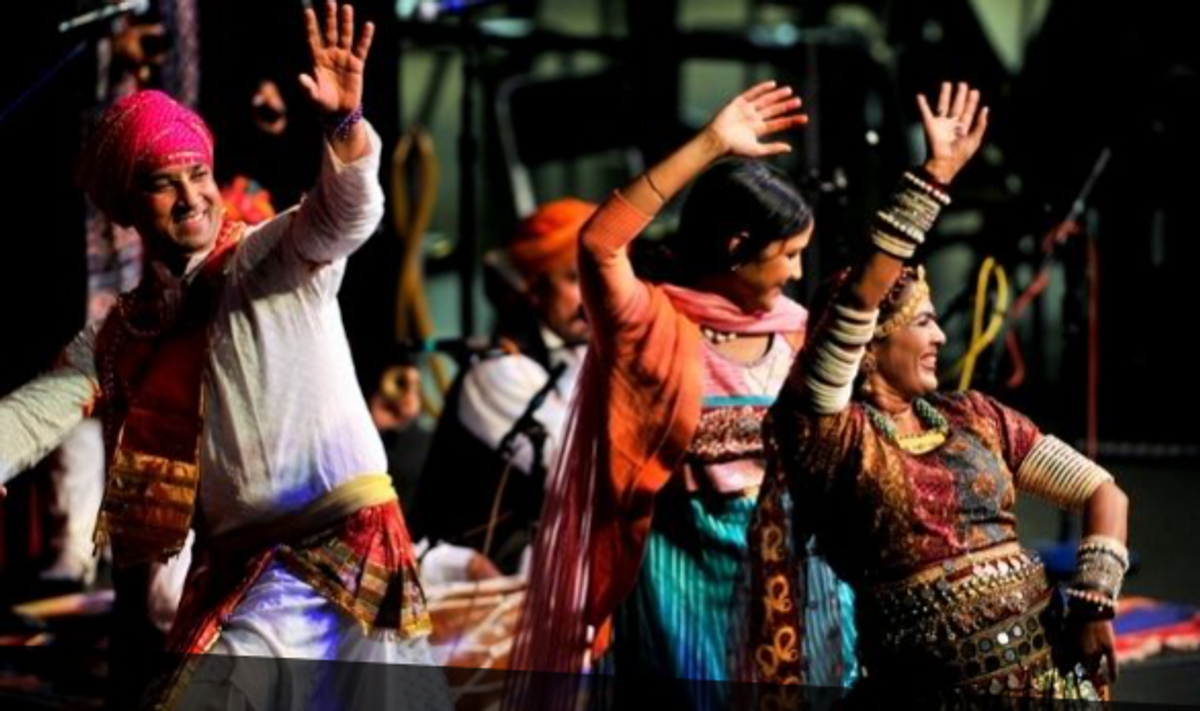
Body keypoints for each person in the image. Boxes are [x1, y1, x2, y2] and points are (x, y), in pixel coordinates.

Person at [0, 3, 449, 708]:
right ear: (126, 206)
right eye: (161, 181)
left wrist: (343, 125)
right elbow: (34, 413)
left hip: (353, 556)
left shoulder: (271, 255)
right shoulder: (123, 334)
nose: (191, 197)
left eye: (197, 173)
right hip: (247, 581)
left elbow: (348, 212)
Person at [754, 81, 1129, 702]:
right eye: (921, 322)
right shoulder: (828, 433)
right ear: (867, 344)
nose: (939, 337)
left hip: (1048, 679)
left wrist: (1094, 602)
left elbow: (1100, 489)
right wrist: (932, 178)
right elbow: (855, 302)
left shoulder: (974, 414)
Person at [508, 82, 857, 709]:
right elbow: (599, 242)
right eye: (789, 255)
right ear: (736, 249)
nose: (799, 273)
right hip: (681, 568)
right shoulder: (650, 322)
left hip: (791, 567)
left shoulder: (797, 331)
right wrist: (711, 144)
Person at [413, 197, 595, 575]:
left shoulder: (581, 353)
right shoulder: (498, 371)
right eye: (575, 278)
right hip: (469, 592)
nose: (594, 294)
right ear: (533, 284)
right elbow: (586, 471)